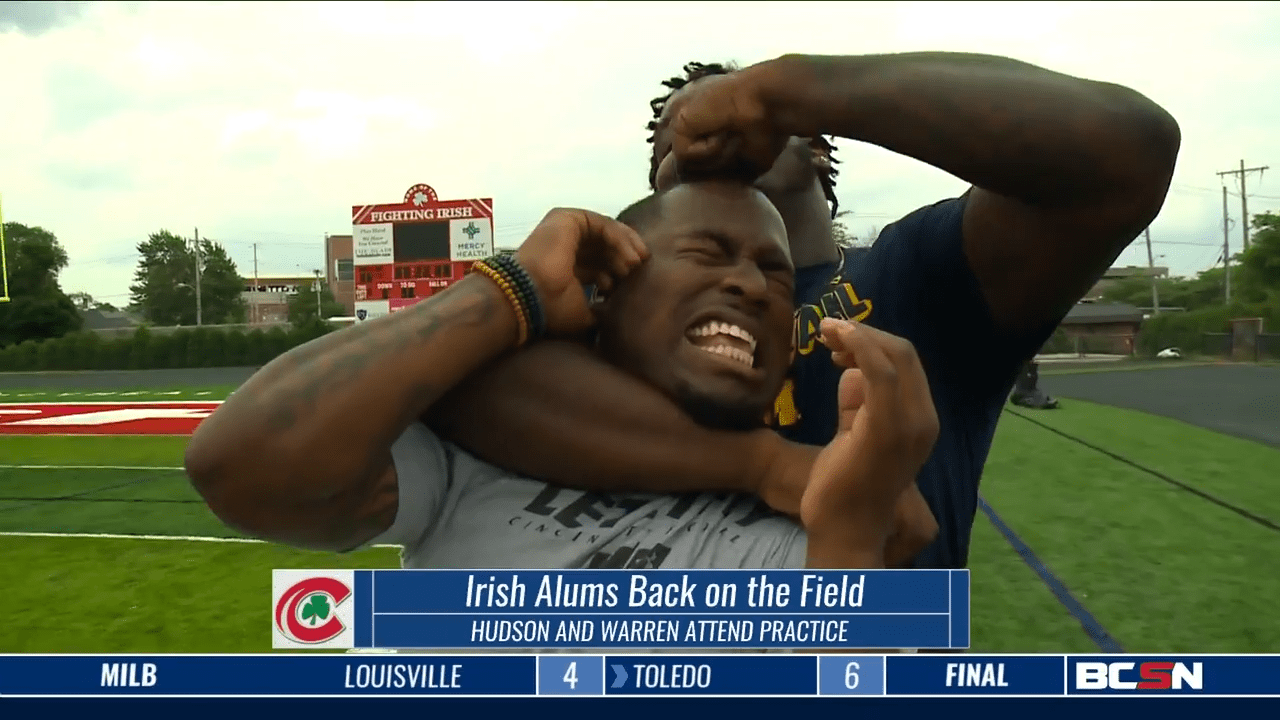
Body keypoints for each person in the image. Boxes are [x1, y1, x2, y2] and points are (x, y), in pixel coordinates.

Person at [427, 52, 1181, 569]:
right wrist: (773, 467)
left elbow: (1129, 155)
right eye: (672, 135)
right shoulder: (625, 290)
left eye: (735, 117)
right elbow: (447, 381)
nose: (704, 137)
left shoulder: (917, 272)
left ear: (818, 145)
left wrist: (782, 87)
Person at [184, 182, 939, 577]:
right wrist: (505, 290)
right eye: (708, 253)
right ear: (604, 288)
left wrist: (845, 535)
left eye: (776, 275)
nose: (750, 284)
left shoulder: (831, 504)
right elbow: (241, 466)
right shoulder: (469, 459)